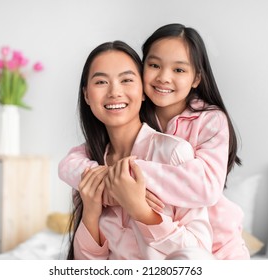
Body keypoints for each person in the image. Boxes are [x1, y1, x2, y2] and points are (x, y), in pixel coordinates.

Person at [59, 23, 249, 260]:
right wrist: (105, 184)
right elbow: (69, 162)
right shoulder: (103, 157)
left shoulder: (205, 123)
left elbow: (207, 188)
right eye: (154, 65)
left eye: (179, 70)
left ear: (197, 78)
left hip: (220, 247)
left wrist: (128, 179)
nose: (164, 78)